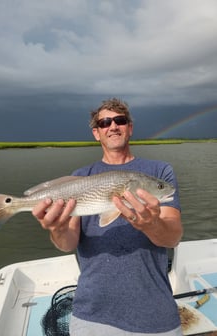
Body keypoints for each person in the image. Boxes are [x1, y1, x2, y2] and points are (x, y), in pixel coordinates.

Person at [33, 98, 183, 336]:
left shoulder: (159, 173)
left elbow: (173, 237)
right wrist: (57, 228)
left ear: (130, 127)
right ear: (96, 133)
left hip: (155, 313)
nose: (113, 126)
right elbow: (67, 243)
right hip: (91, 313)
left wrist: (152, 224)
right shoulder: (80, 177)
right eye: (105, 123)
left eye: (120, 120)